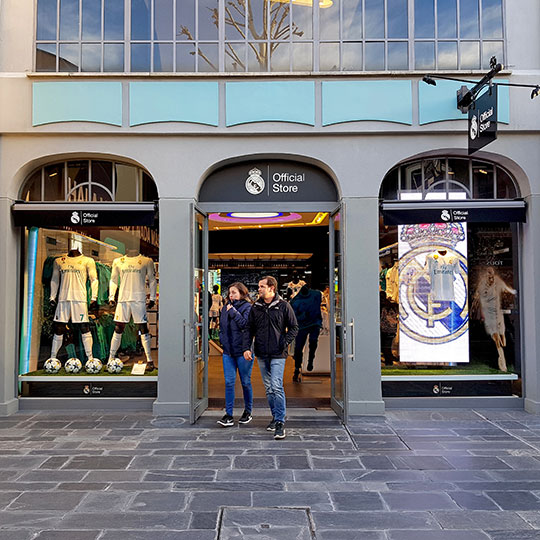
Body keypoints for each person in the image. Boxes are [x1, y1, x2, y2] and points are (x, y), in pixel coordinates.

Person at [244, 276, 298, 440]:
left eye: (261, 286)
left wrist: (284, 343)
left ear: (271, 288)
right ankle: (275, 418)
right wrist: (247, 348)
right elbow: (249, 329)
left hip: (278, 353)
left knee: (276, 385)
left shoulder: (283, 306)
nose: (258, 289)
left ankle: (280, 422)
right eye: (259, 286)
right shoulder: (256, 307)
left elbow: (294, 327)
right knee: (268, 388)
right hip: (261, 353)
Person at [49, 247, 98, 367]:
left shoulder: (88, 260)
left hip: (79, 299)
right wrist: (52, 297)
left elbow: (94, 279)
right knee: (59, 328)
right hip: (63, 298)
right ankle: (52, 358)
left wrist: (94, 297)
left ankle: (90, 359)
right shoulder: (59, 261)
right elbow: (54, 280)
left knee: (84, 327)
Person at [107, 250, 157, 370]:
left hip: (138, 299)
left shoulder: (146, 261)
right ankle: (110, 359)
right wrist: (111, 296)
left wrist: (153, 298)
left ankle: (149, 360)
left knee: (142, 328)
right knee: (118, 328)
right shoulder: (118, 261)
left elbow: (152, 280)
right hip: (123, 299)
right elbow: (113, 280)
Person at [217, 282, 253, 427]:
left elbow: (245, 325)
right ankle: (229, 414)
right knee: (229, 382)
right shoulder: (225, 308)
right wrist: (222, 341)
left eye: (234, 292)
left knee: (245, 382)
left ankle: (248, 411)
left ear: (242, 293)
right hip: (228, 352)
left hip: (243, 352)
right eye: (230, 293)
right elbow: (223, 327)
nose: (231, 295)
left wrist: (234, 312)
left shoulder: (248, 307)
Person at [472, 266, 517, 372]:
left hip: (498, 314)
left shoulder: (498, 282)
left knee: (503, 338)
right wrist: (474, 311)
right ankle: (502, 361)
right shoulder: (482, 285)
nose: (490, 277)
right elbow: (476, 299)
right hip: (489, 315)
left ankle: (505, 358)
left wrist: (515, 292)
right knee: (497, 339)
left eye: (491, 274)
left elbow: (508, 289)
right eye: (488, 274)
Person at [290, 284, 323, 381]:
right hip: (303, 325)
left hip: (313, 323)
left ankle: (309, 361)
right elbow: (294, 316)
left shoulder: (316, 294)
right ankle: (297, 368)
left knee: (312, 342)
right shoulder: (295, 301)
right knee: (299, 347)